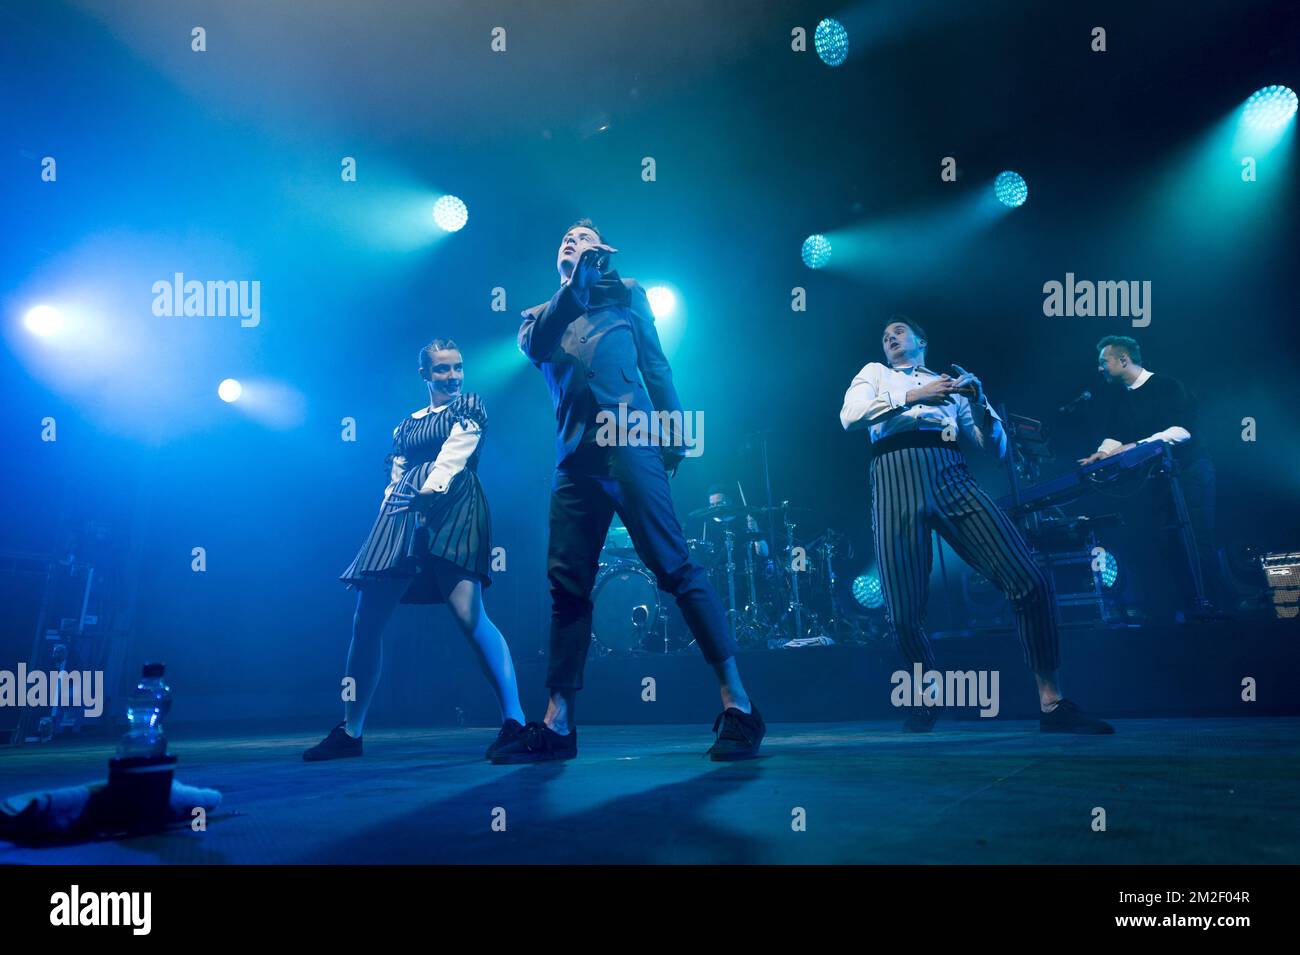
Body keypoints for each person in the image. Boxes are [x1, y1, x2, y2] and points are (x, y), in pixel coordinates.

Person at [494, 218, 765, 763]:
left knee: (675, 566)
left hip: (631, 440)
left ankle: (739, 705)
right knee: (567, 585)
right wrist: (576, 286)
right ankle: (558, 722)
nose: (572, 240)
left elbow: (657, 367)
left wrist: (677, 435)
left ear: (604, 251)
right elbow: (539, 346)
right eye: (566, 237)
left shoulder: (630, 297)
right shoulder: (536, 318)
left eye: (585, 237)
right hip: (575, 460)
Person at [840, 315, 1113, 734]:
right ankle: (926, 695)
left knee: (1030, 580)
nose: (890, 337)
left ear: (921, 340)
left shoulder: (952, 384)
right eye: (885, 336)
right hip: (893, 477)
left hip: (950, 473)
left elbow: (997, 449)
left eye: (899, 331)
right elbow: (851, 416)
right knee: (903, 614)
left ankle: (1053, 703)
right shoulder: (874, 373)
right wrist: (914, 395)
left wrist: (979, 399)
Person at [304, 339, 527, 761]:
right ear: (425, 374)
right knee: (366, 620)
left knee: (469, 614)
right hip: (405, 512)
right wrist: (393, 509)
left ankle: (513, 720)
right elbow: (396, 472)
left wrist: (429, 494)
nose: (454, 376)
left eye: (458, 367)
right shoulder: (406, 425)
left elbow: (454, 456)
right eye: (443, 369)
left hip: (455, 507)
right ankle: (351, 730)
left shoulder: (469, 409)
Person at [1079, 335, 1218, 619]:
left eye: (1103, 362)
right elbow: (1116, 434)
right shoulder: (1122, 397)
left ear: (1123, 359)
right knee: (1167, 543)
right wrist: (1101, 454)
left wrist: (1139, 445)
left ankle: (1214, 606)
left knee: (1197, 539)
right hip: (1161, 479)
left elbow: (1182, 430)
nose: (1100, 369)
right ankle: (1185, 610)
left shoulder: (1166, 386)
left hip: (1190, 472)